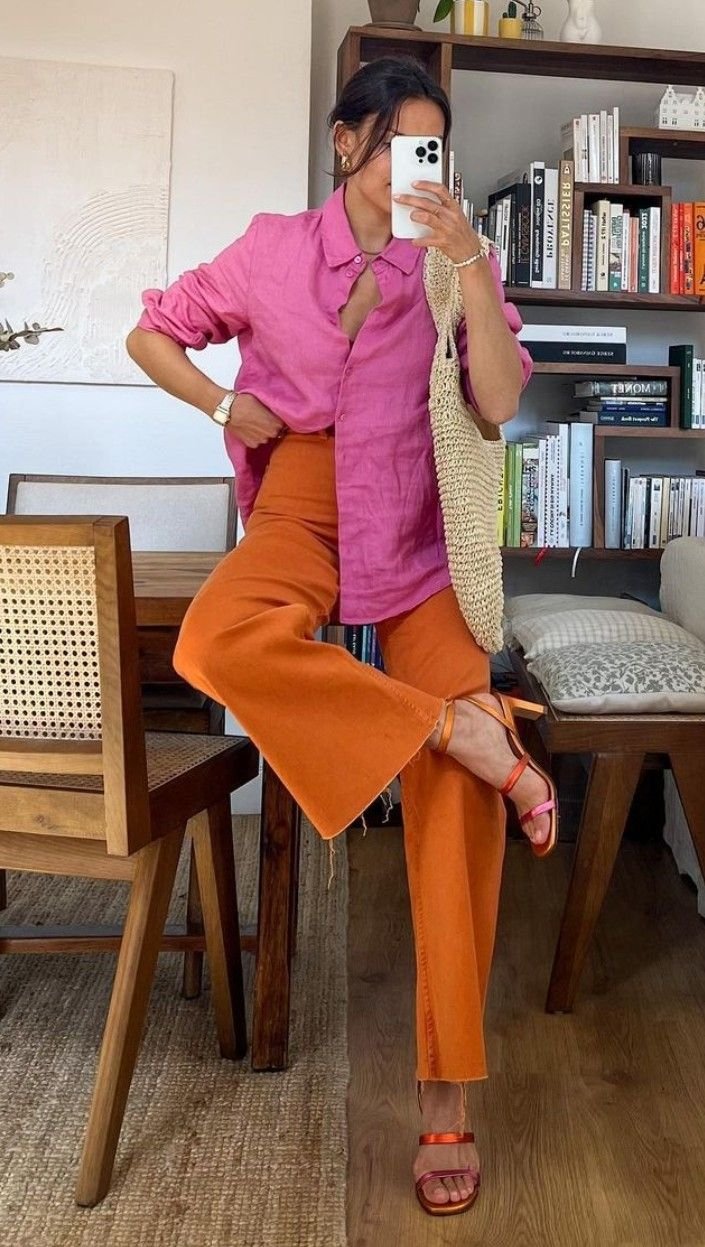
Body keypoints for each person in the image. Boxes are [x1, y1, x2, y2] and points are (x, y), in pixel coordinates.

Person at [126, 54, 556, 1218]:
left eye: (435, 150)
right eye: (403, 144)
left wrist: (470, 262)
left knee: (456, 807)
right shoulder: (272, 250)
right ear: (346, 142)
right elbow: (152, 333)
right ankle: (462, 729)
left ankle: (446, 1093)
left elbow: (499, 399)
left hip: (416, 523)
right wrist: (226, 402)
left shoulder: (448, 263)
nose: (419, 169)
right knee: (215, 639)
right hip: (304, 504)